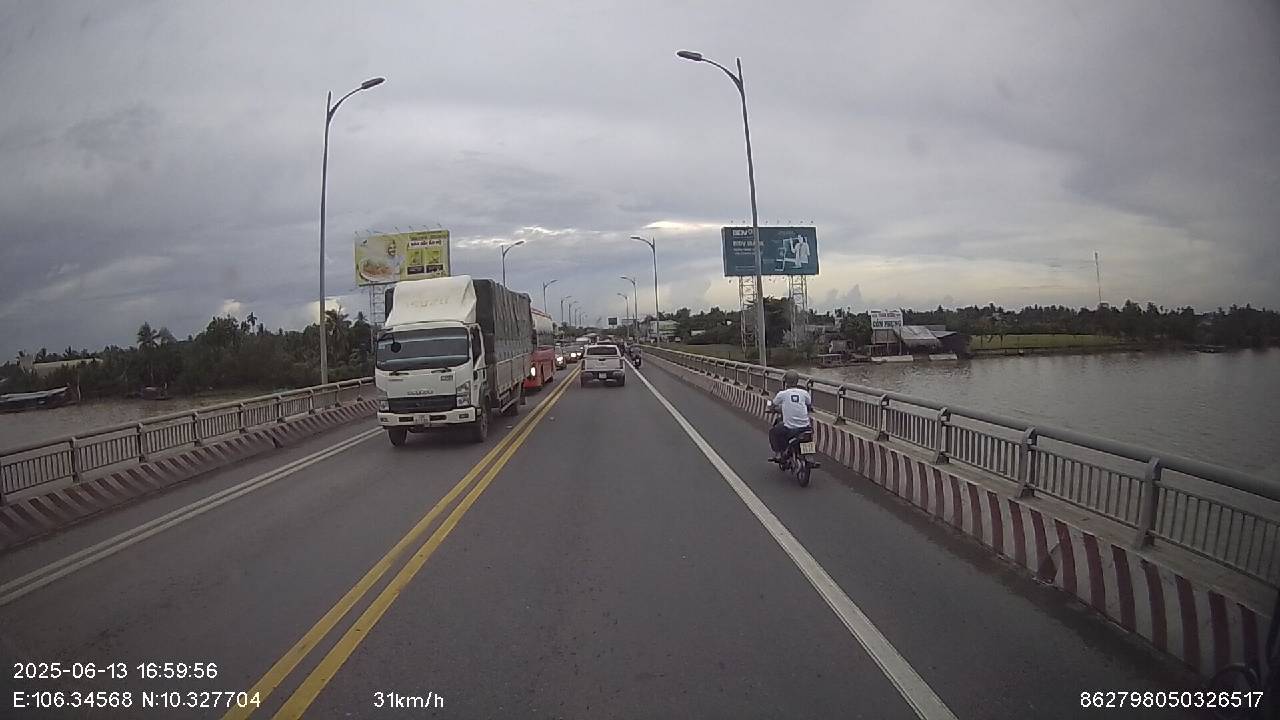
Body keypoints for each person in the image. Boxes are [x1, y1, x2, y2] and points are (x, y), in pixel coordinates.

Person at [768, 370, 812, 462]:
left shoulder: (782, 394)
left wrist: (771, 409)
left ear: (786, 381)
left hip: (790, 428)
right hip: (805, 426)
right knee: (808, 435)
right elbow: (809, 405)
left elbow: (772, 405)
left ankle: (779, 453)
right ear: (797, 381)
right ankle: (809, 456)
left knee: (774, 432)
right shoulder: (804, 393)